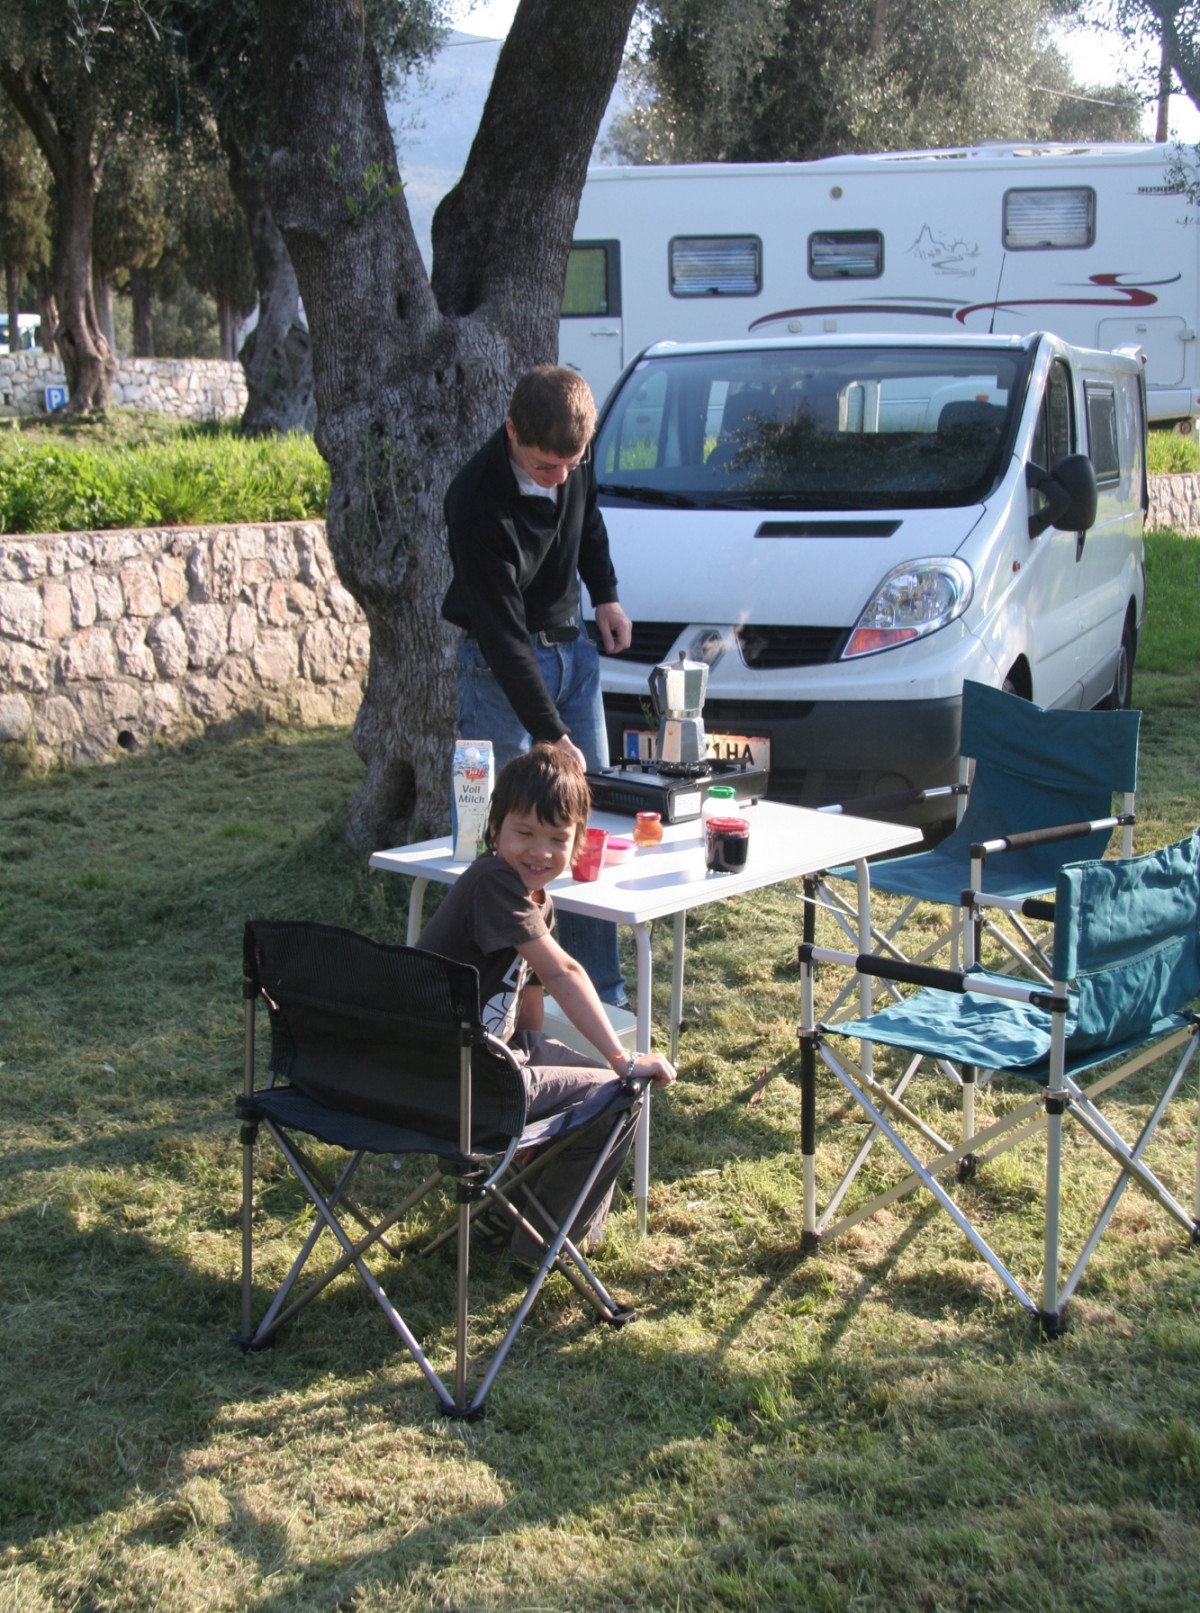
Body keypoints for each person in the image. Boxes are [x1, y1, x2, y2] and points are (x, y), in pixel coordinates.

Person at [417, 745, 675, 1267]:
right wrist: (621, 1061)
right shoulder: (493, 880)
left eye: (558, 839)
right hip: (453, 1082)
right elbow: (563, 973)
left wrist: (537, 1104)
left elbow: (528, 1006)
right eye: (525, 833)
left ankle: (505, 1208)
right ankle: (543, 1249)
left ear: (578, 844)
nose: (540, 851)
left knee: (573, 1080)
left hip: (468, 1068)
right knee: (618, 1093)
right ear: (493, 831)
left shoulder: (538, 901)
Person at [442, 364, 632, 1006]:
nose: (559, 479)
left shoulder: (573, 459)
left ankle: (600, 993)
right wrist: (552, 732)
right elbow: (500, 636)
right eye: (545, 466)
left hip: (573, 648)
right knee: (500, 833)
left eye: (571, 464)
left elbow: (591, 520)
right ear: (512, 431)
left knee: (587, 829)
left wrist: (604, 595)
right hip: (500, 670)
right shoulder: (475, 500)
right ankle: (492, 996)